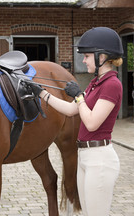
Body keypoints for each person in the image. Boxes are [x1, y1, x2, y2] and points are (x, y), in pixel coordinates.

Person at [27, 27, 123, 216]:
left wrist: (79, 97)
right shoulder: (96, 83)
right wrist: (41, 93)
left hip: (100, 159)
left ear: (101, 56)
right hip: (85, 156)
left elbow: (92, 122)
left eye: (87, 56)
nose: (83, 60)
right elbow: (71, 110)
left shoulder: (112, 85)